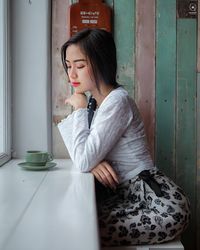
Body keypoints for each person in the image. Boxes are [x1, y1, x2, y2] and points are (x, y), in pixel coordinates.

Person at [58, 28, 190, 247]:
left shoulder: (117, 102)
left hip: (158, 203)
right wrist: (93, 163)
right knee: (75, 221)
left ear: (101, 63)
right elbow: (82, 156)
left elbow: (82, 159)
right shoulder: (97, 104)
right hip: (126, 196)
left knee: (81, 229)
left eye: (80, 66)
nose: (71, 74)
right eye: (69, 65)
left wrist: (80, 111)